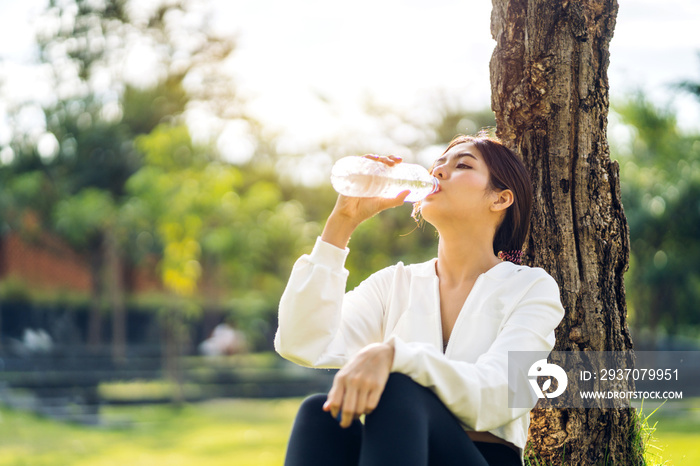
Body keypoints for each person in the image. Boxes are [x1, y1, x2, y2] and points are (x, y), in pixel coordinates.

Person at [274, 134, 566, 466]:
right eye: (438, 164)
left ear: (500, 199)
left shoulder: (530, 287)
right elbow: (302, 343)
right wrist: (341, 223)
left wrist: (395, 356)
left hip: (482, 457)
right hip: (397, 450)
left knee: (399, 389)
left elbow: (500, 395)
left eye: (462, 165)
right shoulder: (394, 283)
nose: (438, 172)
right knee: (319, 413)